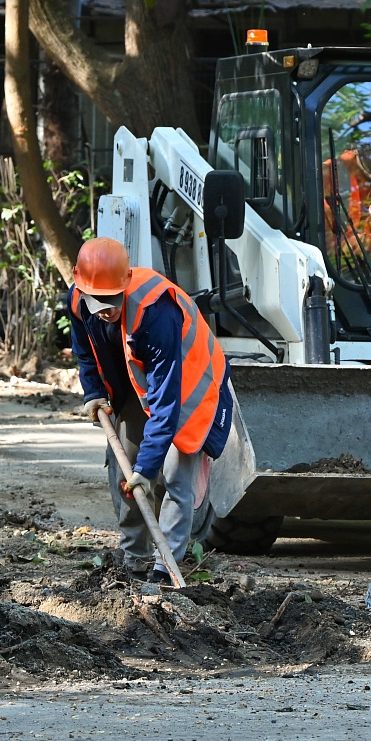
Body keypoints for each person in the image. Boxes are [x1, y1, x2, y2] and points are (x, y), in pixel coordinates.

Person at [68, 237, 233, 584]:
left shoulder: (155, 311)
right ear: (80, 284)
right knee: (125, 472)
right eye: (99, 302)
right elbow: (86, 352)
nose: (107, 310)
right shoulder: (79, 302)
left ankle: (165, 569)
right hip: (141, 385)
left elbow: (167, 403)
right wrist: (94, 392)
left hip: (190, 386)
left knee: (174, 476)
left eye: (113, 300)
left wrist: (148, 467)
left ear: (126, 281)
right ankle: (134, 562)